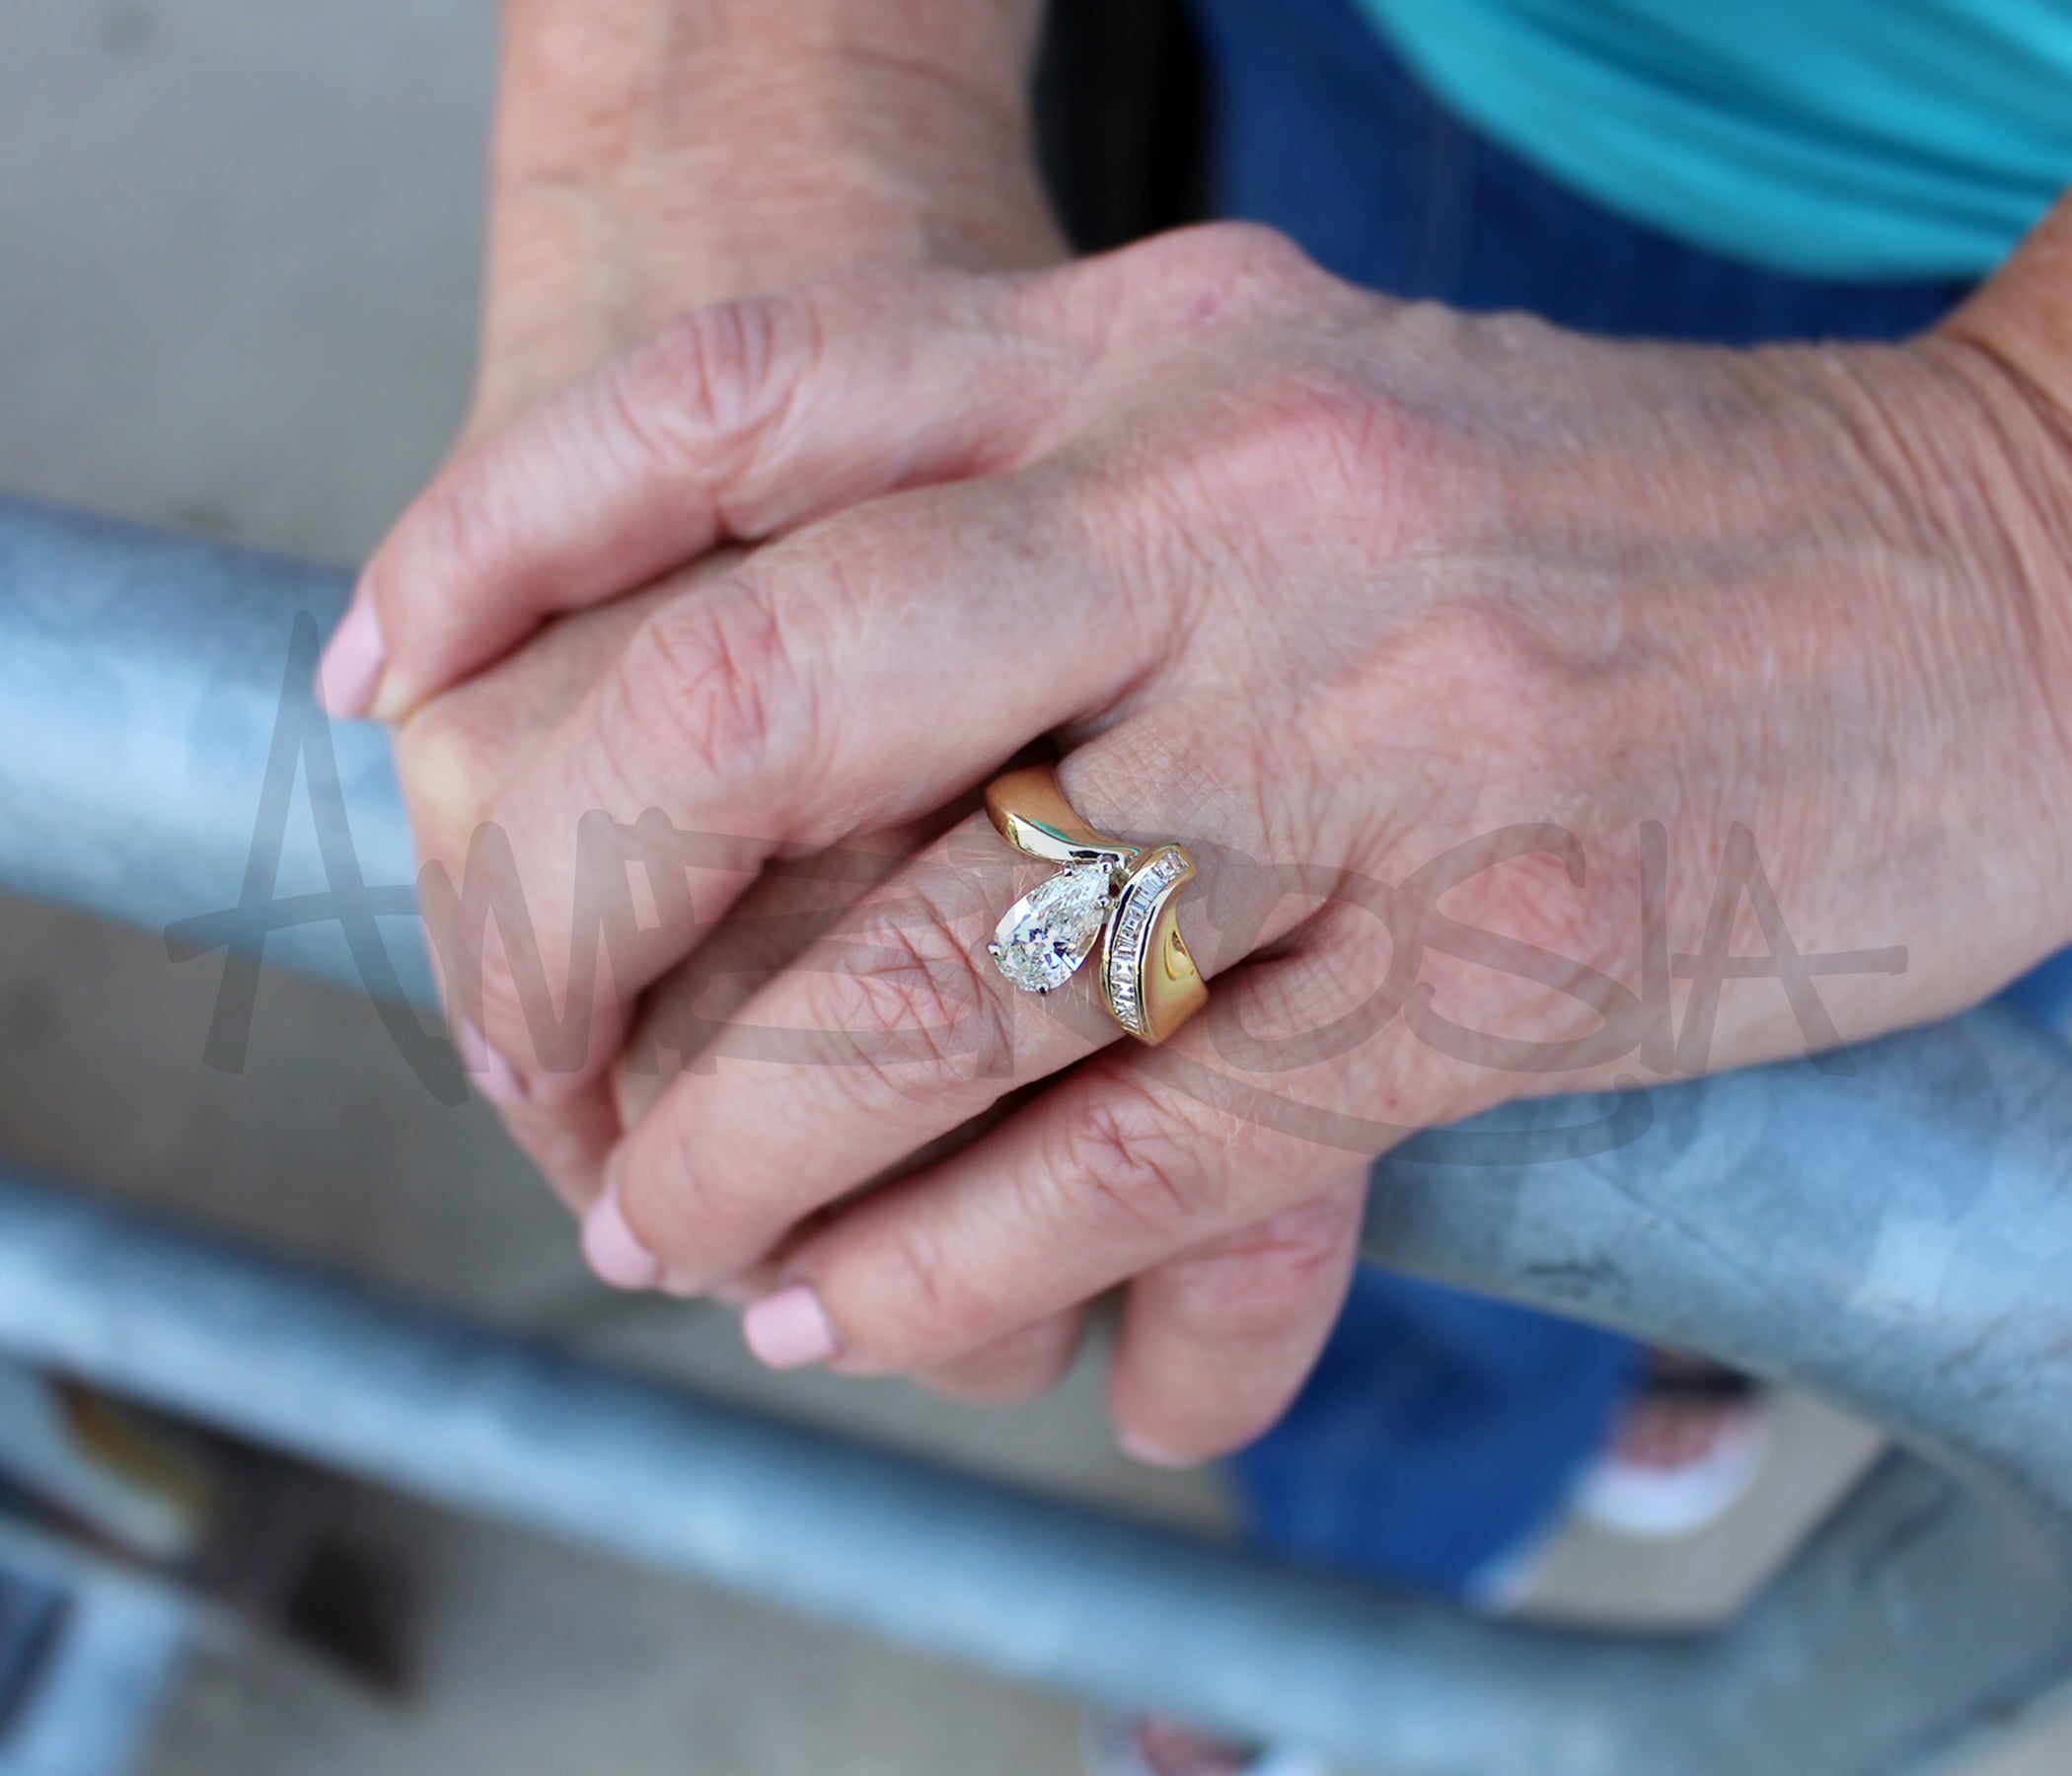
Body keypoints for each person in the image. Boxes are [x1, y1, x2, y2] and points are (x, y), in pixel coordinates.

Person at [318, 1, 2072, 1768]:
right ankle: (1380, 1548)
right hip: (1526, 99)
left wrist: (2007, 518)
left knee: (1845, 1025)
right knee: (1381, 1104)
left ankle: (1666, 1352)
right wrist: (752, 90)